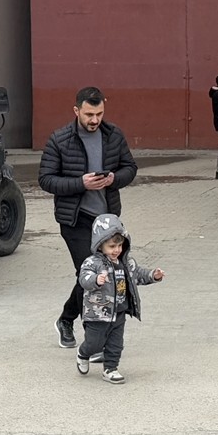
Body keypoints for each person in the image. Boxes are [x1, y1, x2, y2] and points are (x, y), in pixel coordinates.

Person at [39, 86, 138, 352]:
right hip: (76, 220)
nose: (94, 120)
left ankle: (66, 319)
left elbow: (130, 168)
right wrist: (80, 183)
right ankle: (93, 340)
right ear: (76, 111)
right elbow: (46, 179)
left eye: (99, 114)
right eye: (89, 114)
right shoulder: (60, 139)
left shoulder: (114, 134)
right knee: (92, 274)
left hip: (106, 222)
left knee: (99, 275)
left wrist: (114, 179)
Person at [75, 213, 164, 384]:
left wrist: (154, 275)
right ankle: (83, 353)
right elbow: (83, 279)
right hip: (98, 312)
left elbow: (138, 274)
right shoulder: (92, 263)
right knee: (95, 344)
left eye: (120, 245)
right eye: (111, 246)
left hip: (119, 311)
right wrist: (96, 280)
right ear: (100, 245)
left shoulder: (126, 262)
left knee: (116, 344)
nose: (116, 250)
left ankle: (110, 368)